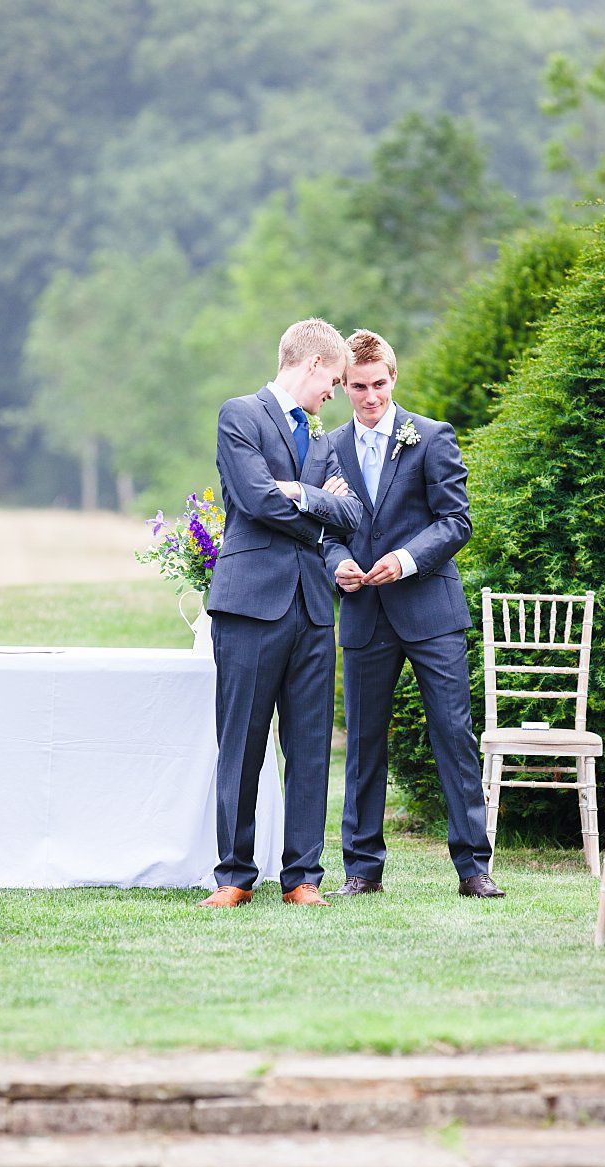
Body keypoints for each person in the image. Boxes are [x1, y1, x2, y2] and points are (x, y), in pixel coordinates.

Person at [322, 329, 502, 900]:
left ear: (393, 379)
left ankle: (473, 868)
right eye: (358, 386)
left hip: (431, 611)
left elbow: (456, 521)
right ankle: (362, 869)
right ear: (344, 386)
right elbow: (324, 529)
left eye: (378, 384)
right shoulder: (328, 449)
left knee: (452, 734)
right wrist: (340, 563)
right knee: (365, 744)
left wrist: (404, 560)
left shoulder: (430, 437)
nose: (370, 396)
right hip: (364, 614)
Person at [198, 318, 363, 910]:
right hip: (250, 605)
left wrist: (297, 493)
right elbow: (254, 498)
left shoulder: (321, 442)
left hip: (314, 610)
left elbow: (354, 515)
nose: (337, 392)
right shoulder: (239, 415)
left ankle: (303, 878)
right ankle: (234, 876)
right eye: (337, 380)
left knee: (311, 746)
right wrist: (312, 501)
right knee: (240, 741)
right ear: (315, 363)